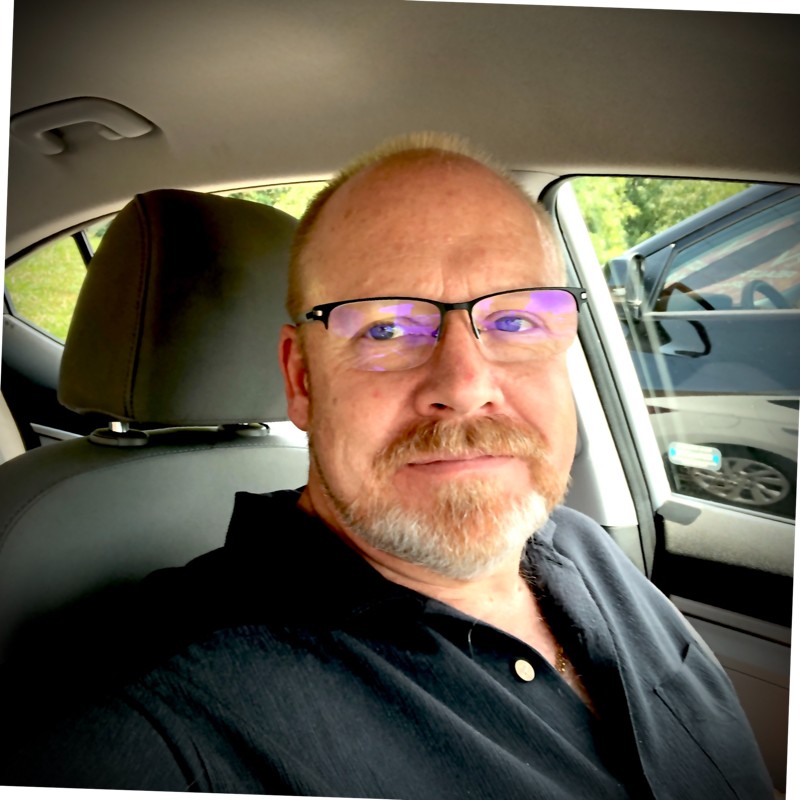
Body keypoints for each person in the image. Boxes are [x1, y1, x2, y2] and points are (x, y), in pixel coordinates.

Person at [0, 133, 773, 799]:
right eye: (385, 328)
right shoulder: (154, 730)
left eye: (514, 319)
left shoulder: (588, 551)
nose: (465, 386)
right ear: (302, 380)